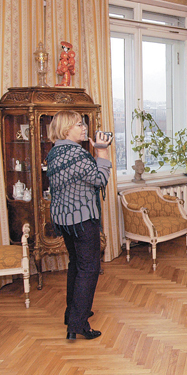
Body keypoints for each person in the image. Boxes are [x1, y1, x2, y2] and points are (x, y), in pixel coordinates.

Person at [46, 111, 112, 340]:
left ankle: (72, 313)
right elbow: (99, 179)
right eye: (78, 124)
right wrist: (102, 152)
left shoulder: (54, 152)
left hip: (64, 220)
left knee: (76, 265)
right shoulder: (77, 154)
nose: (84, 127)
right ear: (66, 129)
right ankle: (78, 324)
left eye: (83, 123)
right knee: (89, 269)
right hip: (82, 220)